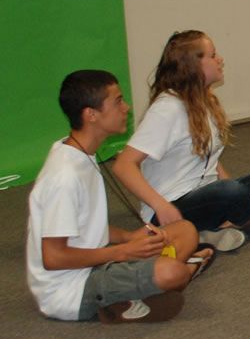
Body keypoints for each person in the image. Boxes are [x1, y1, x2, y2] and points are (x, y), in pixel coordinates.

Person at [27, 70, 212, 324]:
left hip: (98, 261)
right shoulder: (64, 177)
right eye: (117, 102)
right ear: (91, 115)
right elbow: (53, 257)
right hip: (71, 290)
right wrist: (123, 252)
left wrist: (128, 238)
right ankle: (175, 275)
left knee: (185, 230)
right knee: (172, 272)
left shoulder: (81, 154)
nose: (126, 108)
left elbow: (84, 225)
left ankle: (142, 291)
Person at [113, 31, 250, 252]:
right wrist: (160, 205)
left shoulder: (203, 99)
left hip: (208, 194)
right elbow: (123, 165)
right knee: (231, 192)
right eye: (213, 55)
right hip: (172, 208)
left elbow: (210, 157)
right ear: (193, 65)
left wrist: (237, 194)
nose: (220, 59)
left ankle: (221, 226)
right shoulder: (168, 108)